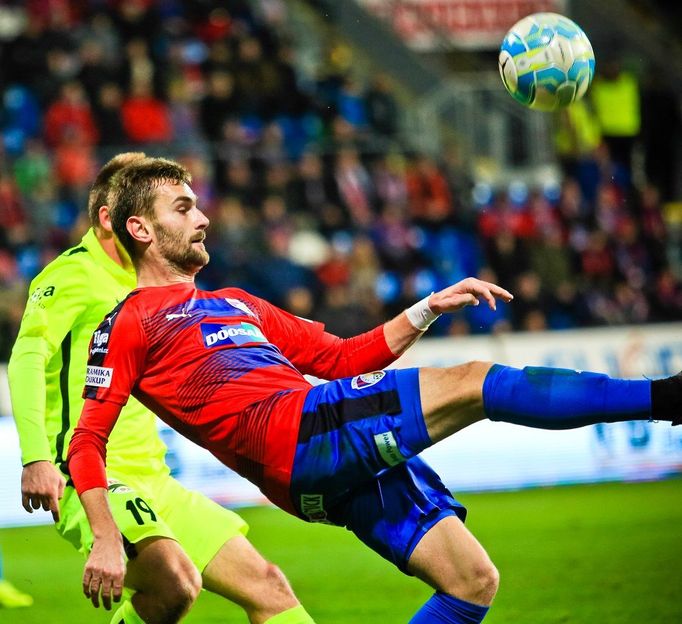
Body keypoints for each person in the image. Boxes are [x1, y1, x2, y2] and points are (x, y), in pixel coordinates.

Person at [67, 157, 681, 624]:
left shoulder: (236, 303)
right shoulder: (125, 323)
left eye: (197, 204)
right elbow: (88, 440)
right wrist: (103, 537)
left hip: (315, 468)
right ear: (141, 229)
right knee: (472, 382)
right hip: (297, 434)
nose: (201, 217)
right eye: (182, 208)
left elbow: (338, 358)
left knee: (471, 580)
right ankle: (667, 398)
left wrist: (426, 310)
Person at [8, 153, 315, 624]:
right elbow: (27, 360)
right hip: (88, 476)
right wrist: (35, 458)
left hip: (154, 477)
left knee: (267, 585)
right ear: (112, 218)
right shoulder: (71, 275)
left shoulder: (156, 280)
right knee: (175, 583)